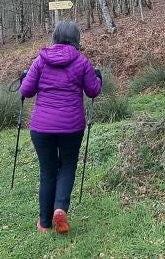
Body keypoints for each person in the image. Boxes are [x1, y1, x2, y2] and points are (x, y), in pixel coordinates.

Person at [19, 21, 102, 234]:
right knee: (67, 166)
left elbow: (26, 91)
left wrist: (24, 78)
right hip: (71, 127)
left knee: (47, 172)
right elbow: (93, 91)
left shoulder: (40, 60)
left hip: (41, 127)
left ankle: (44, 224)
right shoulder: (82, 62)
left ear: (54, 36)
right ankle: (60, 208)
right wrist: (98, 78)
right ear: (77, 39)